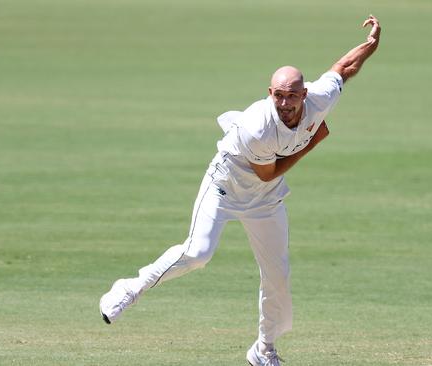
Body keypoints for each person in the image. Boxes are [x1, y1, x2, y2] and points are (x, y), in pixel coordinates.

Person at [100, 15, 381, 366]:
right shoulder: (256, 128)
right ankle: (128, 290)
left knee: (277, 275)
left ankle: (264, 350)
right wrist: (310, 145)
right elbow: (268, 172)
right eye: (279, 96)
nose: (285, 103)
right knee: (198, 253)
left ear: (304, 94)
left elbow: (344, 67)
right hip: (226, 186)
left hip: (265, 199)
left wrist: (371, 44)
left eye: (293, 96)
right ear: (270, 94)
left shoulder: (318, 100)